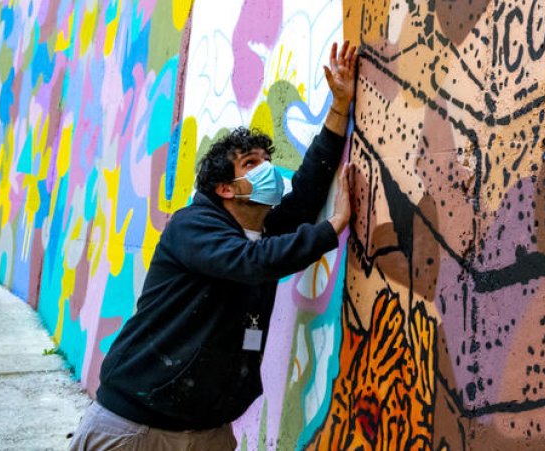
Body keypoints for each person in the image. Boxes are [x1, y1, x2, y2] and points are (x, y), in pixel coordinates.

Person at [68, 42, 359, 451]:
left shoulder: (264, 231)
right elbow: (251, 262)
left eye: (266, 160)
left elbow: (308, 190)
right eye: (251, 164)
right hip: (134, 427)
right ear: (226, 188)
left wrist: (339, 108)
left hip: (208, 432)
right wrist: (335, 226)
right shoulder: (193, 226)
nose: (268, 170)